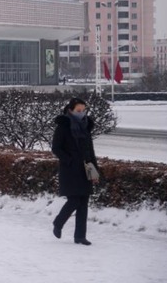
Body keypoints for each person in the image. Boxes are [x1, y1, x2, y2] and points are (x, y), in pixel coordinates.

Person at [52, 97, 100, 246]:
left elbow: (90, 150)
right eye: (78, 110)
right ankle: (58, 223)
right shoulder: (63, 126)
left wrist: (95, 171)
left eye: (83, 110)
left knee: (84, 203)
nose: (81, 113)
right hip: (70, 170)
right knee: (74, 200)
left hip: (86, 169)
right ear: (71, 110)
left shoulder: (86, 126)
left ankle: (80, 236)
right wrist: (69, 160)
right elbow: (56, 148)